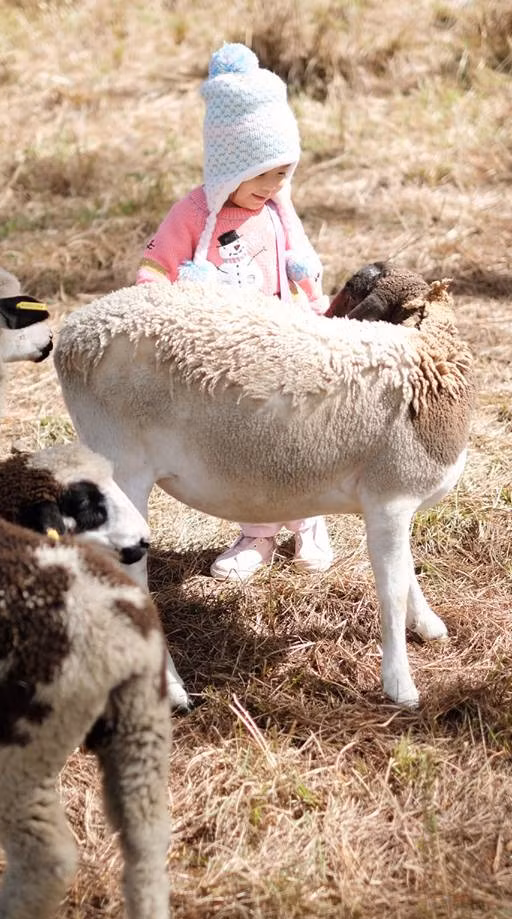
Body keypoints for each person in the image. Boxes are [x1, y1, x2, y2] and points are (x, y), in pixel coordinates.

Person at [136, 41, 333, 581]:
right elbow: (155, 269)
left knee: (298, 437)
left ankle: (308, 522)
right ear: (230, 167)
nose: (275, 187)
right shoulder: (194, 215)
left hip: (284, 344)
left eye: (284, 174)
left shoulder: (276, 211)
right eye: (265, 175)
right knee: (246, 448)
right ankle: (255, 533)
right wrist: (159, 304)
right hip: (228, 355)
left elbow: (300, 270)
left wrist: (312, 305)